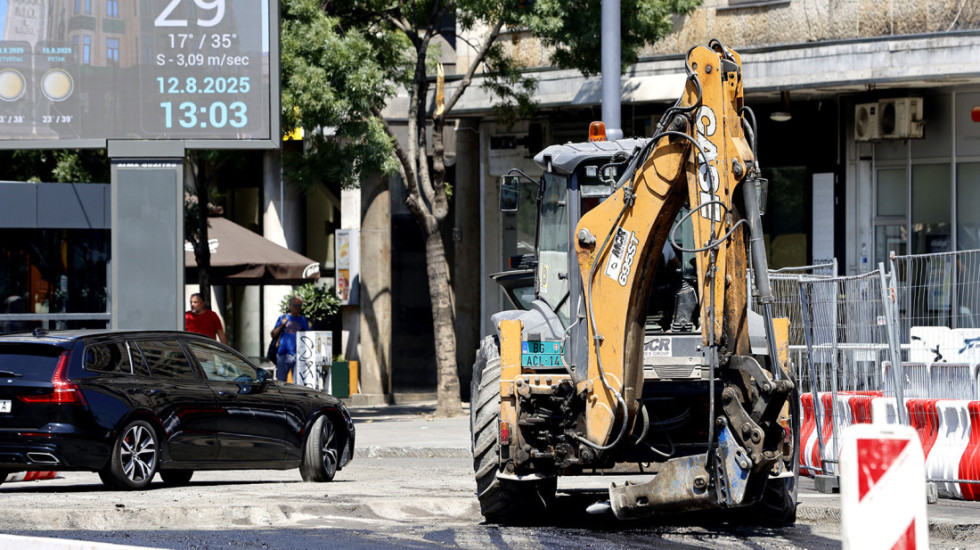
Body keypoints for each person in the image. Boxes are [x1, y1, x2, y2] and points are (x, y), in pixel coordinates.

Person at [271, 295, 309, 382]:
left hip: (298, 355)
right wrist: (281, 325)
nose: (298, 307)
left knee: (298, 382)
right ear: (290, 306)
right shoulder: (283, 318)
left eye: (300, 305)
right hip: (283, 354)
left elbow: (308, 336)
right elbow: (273, 334)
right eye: (296, 305)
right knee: (281, 382)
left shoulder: (303, 320)